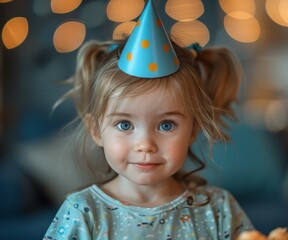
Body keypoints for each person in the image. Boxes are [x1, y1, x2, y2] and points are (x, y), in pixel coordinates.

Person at [43, 1, 253, 239]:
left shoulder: (217, 209)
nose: (145, 144)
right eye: (124, 124)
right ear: (96, 130)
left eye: (166, 125)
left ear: (193, 129)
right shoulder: (83, 212)